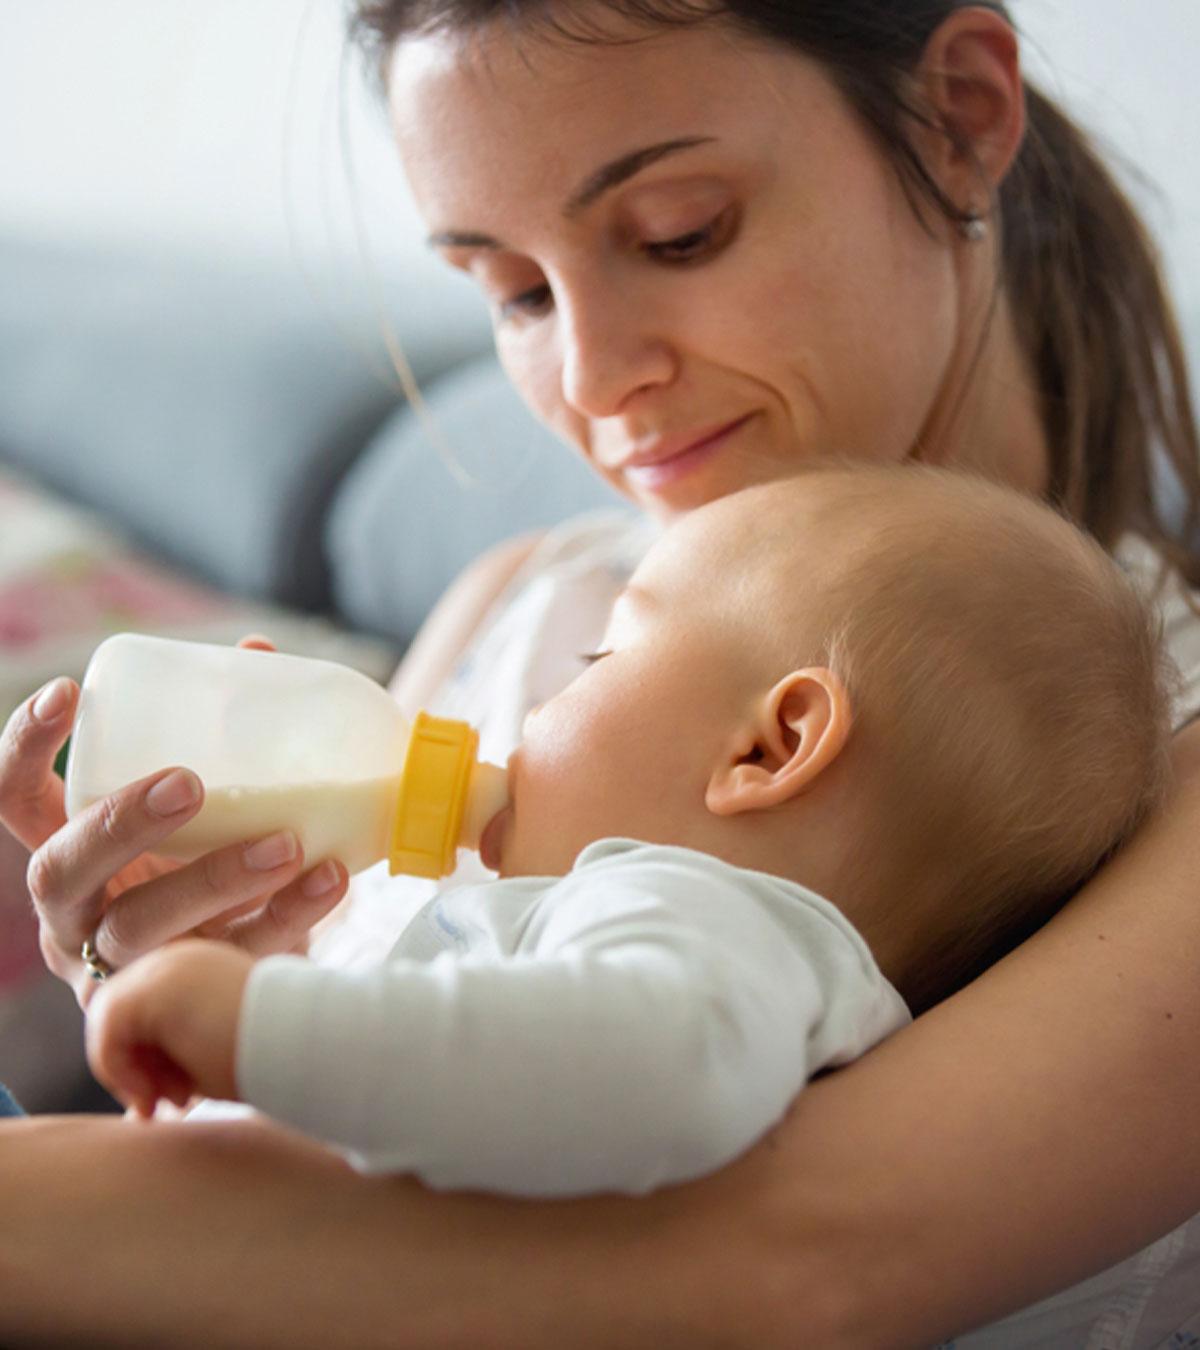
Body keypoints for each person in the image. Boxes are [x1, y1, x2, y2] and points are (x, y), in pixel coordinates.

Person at [0, 1, 1199, 1345]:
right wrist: (181, 980)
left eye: (680, 231)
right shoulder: (523, 601)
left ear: (964, 114)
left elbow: (788, 1266)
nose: (594, 377)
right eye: (512, 290)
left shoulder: (1167, 752)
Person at [83, 466, 1174, 1198]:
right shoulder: (658, 918)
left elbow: (662, 1067)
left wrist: (258, 1026)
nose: (521, 719)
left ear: (769, 749)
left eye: (597, 663)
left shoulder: (704, 915)